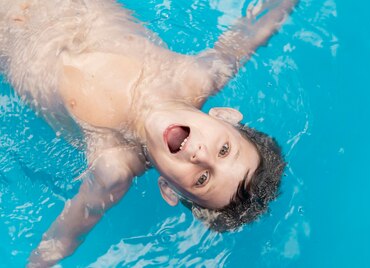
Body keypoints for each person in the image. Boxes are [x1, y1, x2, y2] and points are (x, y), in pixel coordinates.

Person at [0, 0, 296, 266]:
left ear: (168, 188)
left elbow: (67, 233)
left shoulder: (113, 164)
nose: (201, 154)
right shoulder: (196, 76)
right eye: (224, 149)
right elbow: (257, 27)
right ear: (224, 116)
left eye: (203, 179)